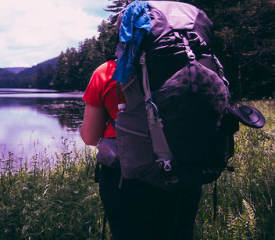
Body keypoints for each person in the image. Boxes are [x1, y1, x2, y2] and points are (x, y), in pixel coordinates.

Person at [80, 59, 202, 240]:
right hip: (182, 173)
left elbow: (90, 137)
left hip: (124, 178)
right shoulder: (190, 65)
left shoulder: (108, 71)